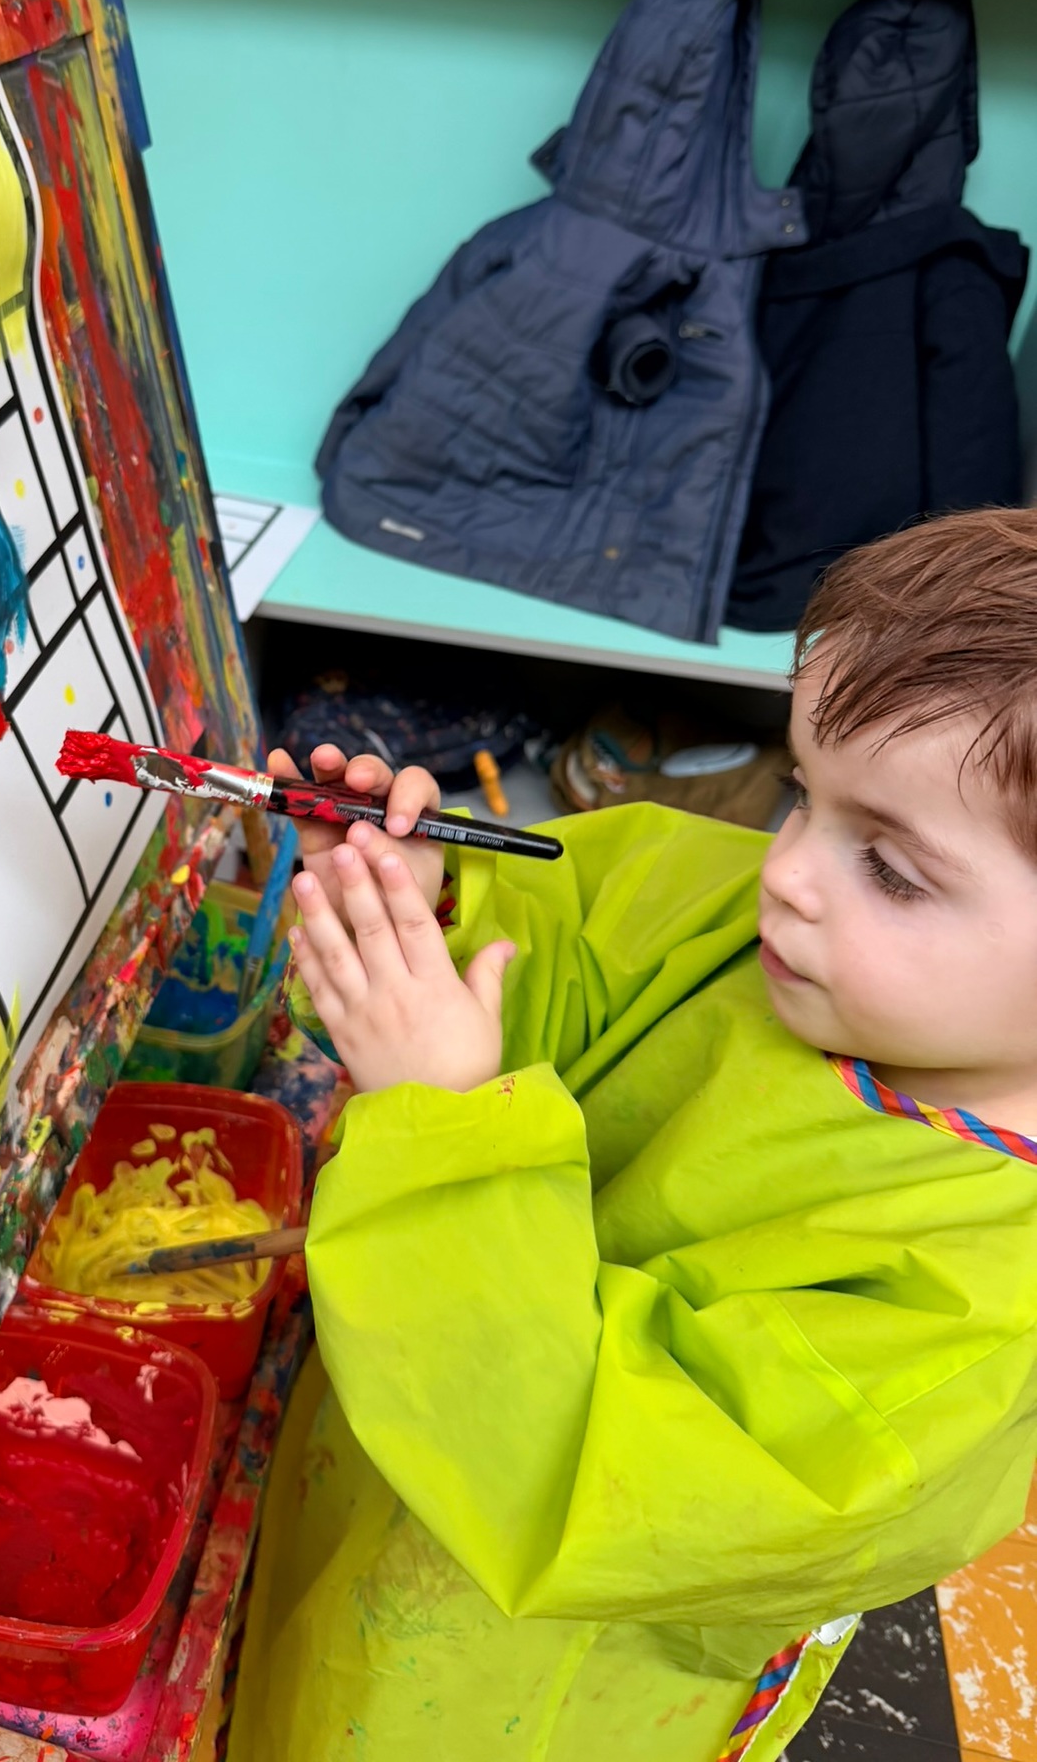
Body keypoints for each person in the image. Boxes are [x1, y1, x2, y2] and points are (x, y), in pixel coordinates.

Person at [226, 506, 1037, 1762]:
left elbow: (575, 1460)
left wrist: (449, 1124)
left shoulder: (973, 1315)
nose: (786, 870)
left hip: (509, 1679)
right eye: (803, 792)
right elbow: (588, 933)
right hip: (386, 1430)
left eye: (891, 866)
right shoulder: (780, 933)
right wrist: (425, 913)